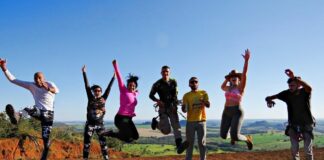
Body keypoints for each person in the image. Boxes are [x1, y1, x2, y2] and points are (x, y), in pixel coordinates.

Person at [0, 58, 59, 160]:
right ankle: (17, 116)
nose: (38, 80)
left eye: (40, 78)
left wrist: (47, 87)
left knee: (46, 142)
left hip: (49, 116)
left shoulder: (49, 84)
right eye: (36, 78)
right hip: (39, 112)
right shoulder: (31, 85)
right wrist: (4, 68)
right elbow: (13, 80)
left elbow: (56, 91)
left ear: (44, 78)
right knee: (30, 108)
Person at [265, 69, 315, 160]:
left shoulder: (305, 92)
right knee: (294, 149)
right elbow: (269, 97)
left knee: (307, 150)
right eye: (289, 85)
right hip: (293, 125)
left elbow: (309, 88)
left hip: (307, 124)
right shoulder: (287, 94)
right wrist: (269, 101)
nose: (290, 87)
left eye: (292, 85)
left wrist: (293, 77)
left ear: (299, 85)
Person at [149, 65, 188, 154]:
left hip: (172, 107)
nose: (165, 73)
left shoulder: (174, 82)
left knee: (177, 127)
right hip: (162, 108)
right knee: (167, 131)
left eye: (167, 71)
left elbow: (175, 95)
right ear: (161, 73)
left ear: (169, 73)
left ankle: (179, 146)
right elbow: (150, 95)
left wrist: (175, 105)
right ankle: (156, 124)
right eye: (163, 72)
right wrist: (157, 101)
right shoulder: (157, 84)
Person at [220, 49, 253, 150]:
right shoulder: (228, 88)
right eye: (232, 77)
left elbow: (244, 74)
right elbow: (222, 87)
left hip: (237, 111)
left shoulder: (240, 87)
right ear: (230, 79)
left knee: (235, 136)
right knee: (223, 135)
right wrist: (228, 77)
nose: (234, 78)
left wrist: (246, 61)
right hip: (226, 112)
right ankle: (231, 135)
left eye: (236, 77)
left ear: (239, 79)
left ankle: (247, 139)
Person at [100, 60, 139, 143]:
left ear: (135, 87)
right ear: (127, 85)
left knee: (135, 136)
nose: (131, 87)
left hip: (128, 119)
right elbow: (119, 77)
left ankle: (120, 133)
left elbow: (136, 94)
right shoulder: (123, 90)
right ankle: (111, 133)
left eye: (133, 86)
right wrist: (115, 65)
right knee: (128, 138)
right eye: (130, 85)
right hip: (120, 119)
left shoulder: (135, 94)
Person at [81, 65, 115, 160]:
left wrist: (113, 77)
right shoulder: (90, 97)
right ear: (93, 92)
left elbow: (109, 88)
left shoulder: (104, 98)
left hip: (100, 125)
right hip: (90, 124)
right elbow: (87, 86)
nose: (97, 92)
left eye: (99, 90)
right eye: (96, 90)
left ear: (101, 91)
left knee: (103, 143)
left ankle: (106, 158)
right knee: (87, 143)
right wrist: (84, 73)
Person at [182, 77, 210, 160]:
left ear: (198, 83)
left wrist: (203, 101)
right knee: (189, 144)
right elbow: (184, 110)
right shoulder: (186, 95)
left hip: (202, 121)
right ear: (189, 84)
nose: (194, 83)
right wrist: (183, 108)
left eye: (196, 82)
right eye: (192, 82)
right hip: (190, 122)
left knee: (202, 143)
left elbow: (208, 105)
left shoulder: (203, 93)